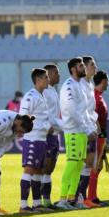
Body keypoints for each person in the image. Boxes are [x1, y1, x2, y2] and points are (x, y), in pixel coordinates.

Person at [57, 57, 96, 210]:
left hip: (81, 131)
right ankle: (62, 199)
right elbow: (72, 111)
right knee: (72, 162)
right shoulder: (68, 86)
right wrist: (87, 129)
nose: (84, 68)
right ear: (73, 68)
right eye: (81, 66)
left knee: (79, 164)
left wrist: (89, 128)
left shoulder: (80, 85)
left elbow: (84, 110)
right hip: (72, 130)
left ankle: (72, 198)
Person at [18, 68, 52, 213]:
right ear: (38, 80)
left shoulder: (41, 95)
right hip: (32, 138)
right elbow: (23, 116)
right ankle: (23, 205)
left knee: (38, 171)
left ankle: (37, 204)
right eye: (45, 77)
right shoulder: (30, 96)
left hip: (41, 139)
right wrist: (35, 129)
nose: (48, 80)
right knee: (29, 170)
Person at [75, 56, 99, 208]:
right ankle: (77, 198)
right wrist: (87, 126)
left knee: (89, 163)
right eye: (92, 65)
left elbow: (90, 109)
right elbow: (80, 109)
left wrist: (95, 121)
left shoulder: (90, 84)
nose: (94, 67)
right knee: (82, 163)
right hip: (83, 129)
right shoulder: (80, 84)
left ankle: (82, 197)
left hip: (91, 126)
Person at [87, 70, 109, 207]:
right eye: (107, 80)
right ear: (103, 81)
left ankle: (93, 195)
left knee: (98, 166)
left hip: (102, 135)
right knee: (95, 166)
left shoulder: (99, 95)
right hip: (97, 135)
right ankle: (91, 197)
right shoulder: (95, 96)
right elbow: (92, 114)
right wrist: (99, 130)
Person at [42, 64, 63, 209]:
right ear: (48, 75)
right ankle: (41, 201)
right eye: (56, 73)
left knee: (50, 169)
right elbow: (44, 113)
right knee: (44, 168)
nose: (59, 75)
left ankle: (47, 200)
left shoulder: (54, 91)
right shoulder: (44, 92)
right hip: (46, 135)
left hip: (55, 134)